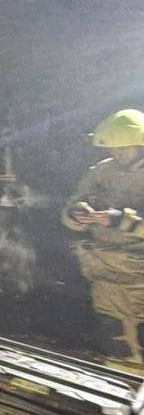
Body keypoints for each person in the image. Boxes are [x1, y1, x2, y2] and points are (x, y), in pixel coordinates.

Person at [62, 108, 144, 368]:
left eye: (123, 148)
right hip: (104, 272)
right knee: (113, 338)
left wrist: (121, 220)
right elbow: (73, 205)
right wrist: (76, 214)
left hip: (139, 274)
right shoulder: (100, 172)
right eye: (112, 149)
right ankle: (120, 383)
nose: (116, 154)